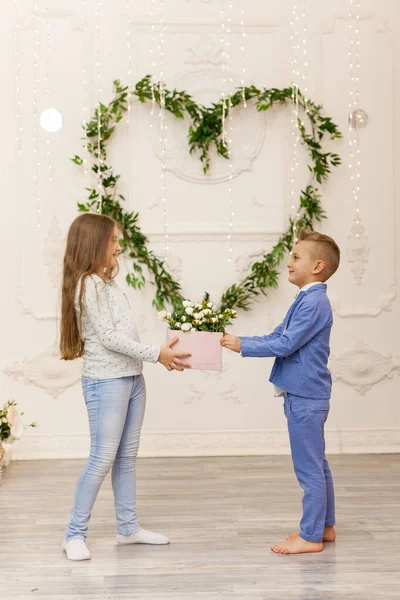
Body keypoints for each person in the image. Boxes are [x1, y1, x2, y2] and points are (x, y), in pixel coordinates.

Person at [59, 213, 191, 561]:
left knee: (126, 459)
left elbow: (121, 335)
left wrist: (151, 358)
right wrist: (156, 354)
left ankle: (128, 528)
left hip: (131, 379)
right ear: (94, 245)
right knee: (102, 459)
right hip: (106, 382)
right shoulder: (87, 284)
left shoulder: (106, 284)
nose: (118, 246)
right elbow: (109, 337)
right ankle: (74, 534)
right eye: (113, 241)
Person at [221, 228, 340, 554]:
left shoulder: (314, 302)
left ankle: (311, 536)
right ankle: (324, 527)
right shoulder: (306, 299)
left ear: (317, 266)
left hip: (305, 396)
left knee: (309, 468)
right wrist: (240, 342)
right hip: (305, 393)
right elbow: (278, 334)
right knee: (318, 463)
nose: (289, 262)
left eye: (296, 257)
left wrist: (241, 345)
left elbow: (286, 343)